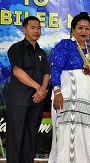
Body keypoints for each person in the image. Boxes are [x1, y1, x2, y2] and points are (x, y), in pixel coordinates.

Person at [49, 12, 90, 163]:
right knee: (66, 136)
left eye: (87, 28)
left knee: (86, 137)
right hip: (67, 101)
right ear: (73, 29)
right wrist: (57, 92)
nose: (84, 31)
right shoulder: (65, 45)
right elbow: (55, 69)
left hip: (87, 103)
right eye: (80, 27)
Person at [6, 16, 50, 163]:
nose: (36, 31)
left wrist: (42, 91)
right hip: (19, 101)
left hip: (37, 102)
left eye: (38, 28)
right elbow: (17, 71)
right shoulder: (16, 48)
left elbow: (46, 73)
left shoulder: (42, 52)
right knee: (15, 139)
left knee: (31, 139)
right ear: (24, 30)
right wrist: (38, 88)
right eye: (32, 27)